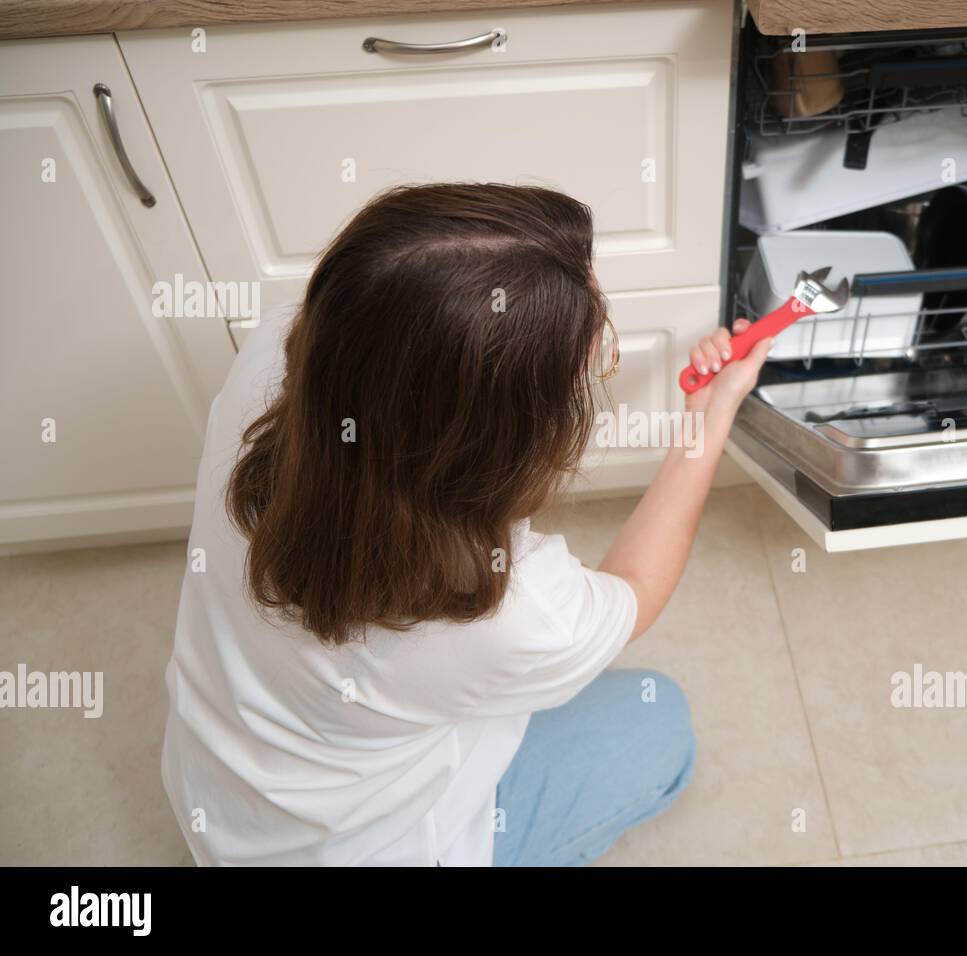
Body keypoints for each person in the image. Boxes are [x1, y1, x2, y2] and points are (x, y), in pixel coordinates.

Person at [161, 183, 774, 866]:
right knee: (663, 726)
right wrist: (711, 417)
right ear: (497, 436)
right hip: (370, 851)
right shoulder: (516, 617)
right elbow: (633, 588)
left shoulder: (275, 355)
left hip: (219, 800)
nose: (601, 339)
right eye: (590, 347)